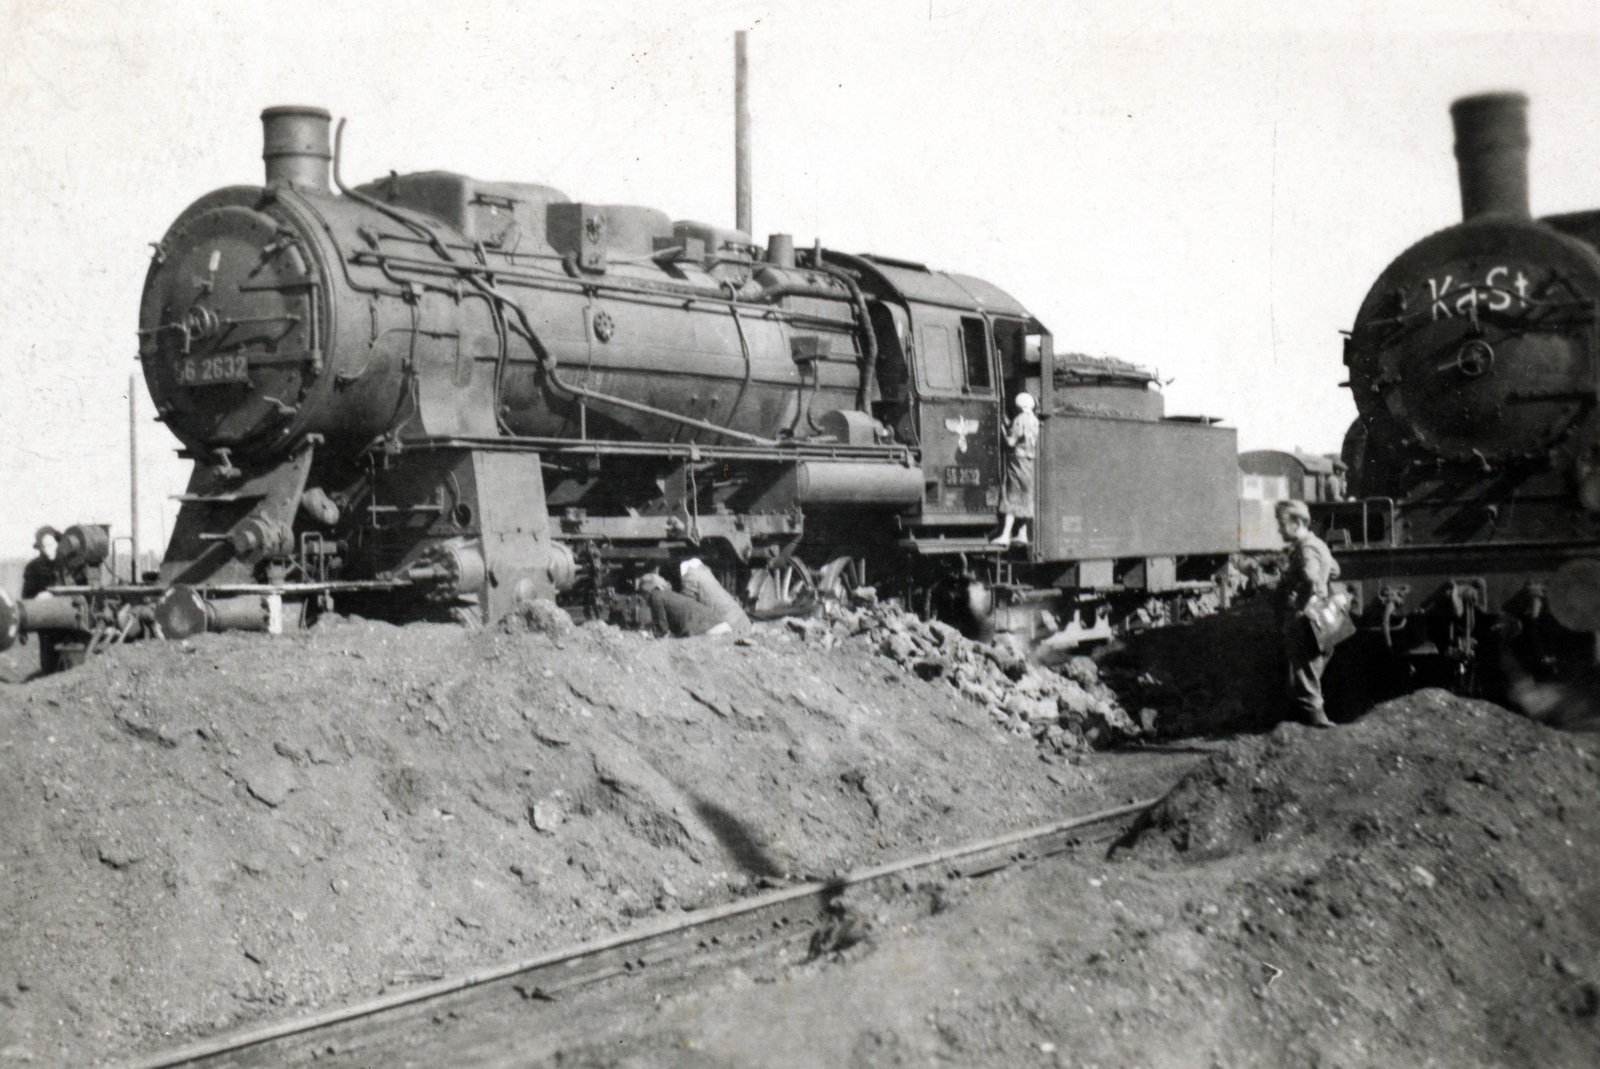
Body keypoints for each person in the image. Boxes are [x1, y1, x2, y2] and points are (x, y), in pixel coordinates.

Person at [1275, 499, 1338, 728]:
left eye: (1282, 524)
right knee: (1310, 667)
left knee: (1302, 668)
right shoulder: (1319, 544)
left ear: (1297, 523)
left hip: (1305, 617)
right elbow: (1335, 570)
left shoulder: (1306, 548)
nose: (1279, 529)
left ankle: (1315, 719)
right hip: (1323, 614)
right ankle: (1305, 717)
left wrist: (1300, 602)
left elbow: (1311, 577)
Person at [639, 559, 750, 637]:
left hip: (731, 625)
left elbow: (683, 610)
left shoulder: (688, 578)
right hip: (739, 620)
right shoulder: (702, 571)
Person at [993, 392, 1040, 546]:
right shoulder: (1034, 420)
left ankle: (1005, 535)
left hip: (1017, 461)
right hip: (1029, 461)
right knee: (1025, 498)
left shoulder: (1020, 420)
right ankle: (1022, 534)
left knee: (1012, 495)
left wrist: (1002, 429)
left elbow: (1011, 442)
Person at [21, 526, 64, 673]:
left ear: (58, 543)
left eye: (51, 545)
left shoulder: (70, 564)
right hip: (46, 622)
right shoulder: (33, 568)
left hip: (68, 619)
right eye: (43, 546)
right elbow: (26, 598)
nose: (48, 549)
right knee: (49, 662)